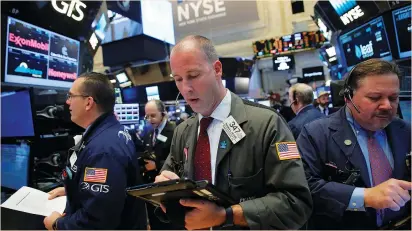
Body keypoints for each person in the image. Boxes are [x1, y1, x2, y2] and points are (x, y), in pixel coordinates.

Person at [154, 35, 312, 230]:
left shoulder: (267, 124)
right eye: (178, 79)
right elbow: (167, 183)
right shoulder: (182, 132)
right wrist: (165, 191)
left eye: (193, 75)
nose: (185, 88)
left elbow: (295, 203)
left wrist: (226, 216)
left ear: (217, 69)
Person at [297, 59, 411, 229]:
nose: (387, 106)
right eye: (375, 97)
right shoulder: (316, 134)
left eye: (393, 98)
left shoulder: (405, 130)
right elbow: (304, 187)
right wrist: (364, 197)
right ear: (347, 97)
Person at [43, 72, 147, 230]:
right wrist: (73, 190)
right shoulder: (111, 132)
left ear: (88, 102)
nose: (67, 102)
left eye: (71, 96)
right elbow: (112, 189)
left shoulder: (103, 149)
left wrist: (58, 224)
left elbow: (96, 221)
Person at [141, 100, 176, 230]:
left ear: (163, 114)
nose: (150, 119)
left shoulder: (175, 131)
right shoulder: (148, 133)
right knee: (156, 222)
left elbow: (178, 160)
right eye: (147, 116)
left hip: (168, 186)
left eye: (153, 115)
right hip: (151, 186)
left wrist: (157, 166)